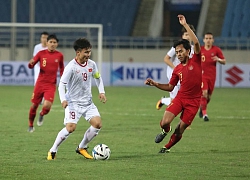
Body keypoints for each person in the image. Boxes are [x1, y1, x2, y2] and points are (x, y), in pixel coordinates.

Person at [144, 14, 202, 153]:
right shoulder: (177, 69)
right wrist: (155, 83)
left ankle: (167, 147)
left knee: (180, 128)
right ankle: (165, 131)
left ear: (188, 51)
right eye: (177, 52)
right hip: (181, 98)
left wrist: (185, 25)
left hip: (194, 102)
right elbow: (170, 86)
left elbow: (197, 43)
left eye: (181, 51)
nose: (179, 54)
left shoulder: (196, 60)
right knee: (165, 122)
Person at [47, 38, 107, 160]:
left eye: (89, 52)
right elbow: (62, 85)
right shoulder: (71, 67)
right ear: (78, 52)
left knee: (97, 124)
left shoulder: (92, 64)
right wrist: (63, 99)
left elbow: (97, 77)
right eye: (86, 52)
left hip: (88, 102)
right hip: (73, 103)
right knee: (70, 128)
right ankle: (53, 150)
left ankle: (82, 147)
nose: (88, 55)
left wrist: (101, 92)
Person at [27, 34, 64, 132]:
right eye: (50, 42)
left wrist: (64, 79)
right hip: (40, 83)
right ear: (46, 43)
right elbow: (32, 65)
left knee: (47, 106)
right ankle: (30, 125)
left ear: (57, 44)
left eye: (54, 42)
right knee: (34, 105)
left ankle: (42, 114)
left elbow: (62, 69)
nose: (52, 44)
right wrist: (30, 64)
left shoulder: (59, 55)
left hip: (51, 85)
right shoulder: (40, 53)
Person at [156, 24, 195, 110]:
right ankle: (168, 117)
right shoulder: (177, 47)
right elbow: (166, 59)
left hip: (184, 75)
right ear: (182, 36)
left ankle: (164, 100)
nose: (188, 37)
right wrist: (176, 69)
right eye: (186, 34)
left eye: (189, 34)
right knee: (176, 101)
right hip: (173, 74)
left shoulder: (193, 49)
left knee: (181, 100)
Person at [199, 32, 226, 121]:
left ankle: (202, 108)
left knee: (208, 97)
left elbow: (224, 61)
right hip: (202, 76)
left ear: (213, 40)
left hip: (212, 76)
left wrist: (218, 59)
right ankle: (205, 114)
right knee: (204, 93)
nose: (208, 40)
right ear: (203, 40)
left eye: (210, 38)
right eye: (206, 38)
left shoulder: (216, 50)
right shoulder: (200, 49)